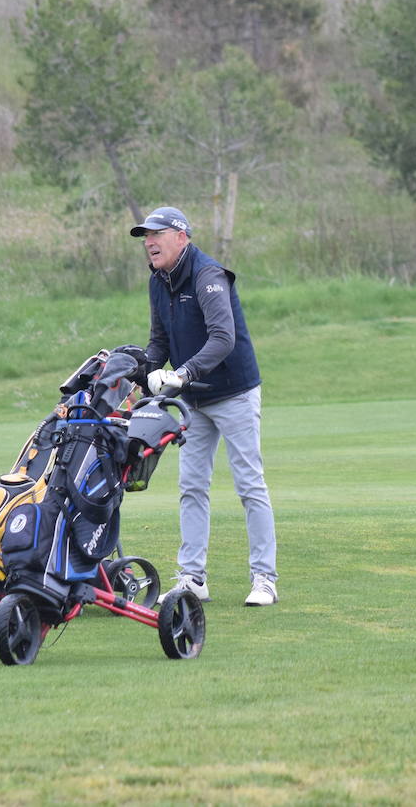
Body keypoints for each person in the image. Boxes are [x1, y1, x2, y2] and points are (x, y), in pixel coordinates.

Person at [130, 206, 278, 606]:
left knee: (249, 484)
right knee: (191, 486)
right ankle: (193, 577)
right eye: (146, 237)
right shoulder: (158, 281)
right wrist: (143, 370)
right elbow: (159, 341)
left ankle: (264, 578)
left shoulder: (208, 275)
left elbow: (222, 337)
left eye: (156, 234)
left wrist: (183, 374)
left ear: (182, 237)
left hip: (233, 392)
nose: (149, 242)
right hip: (192, 400)